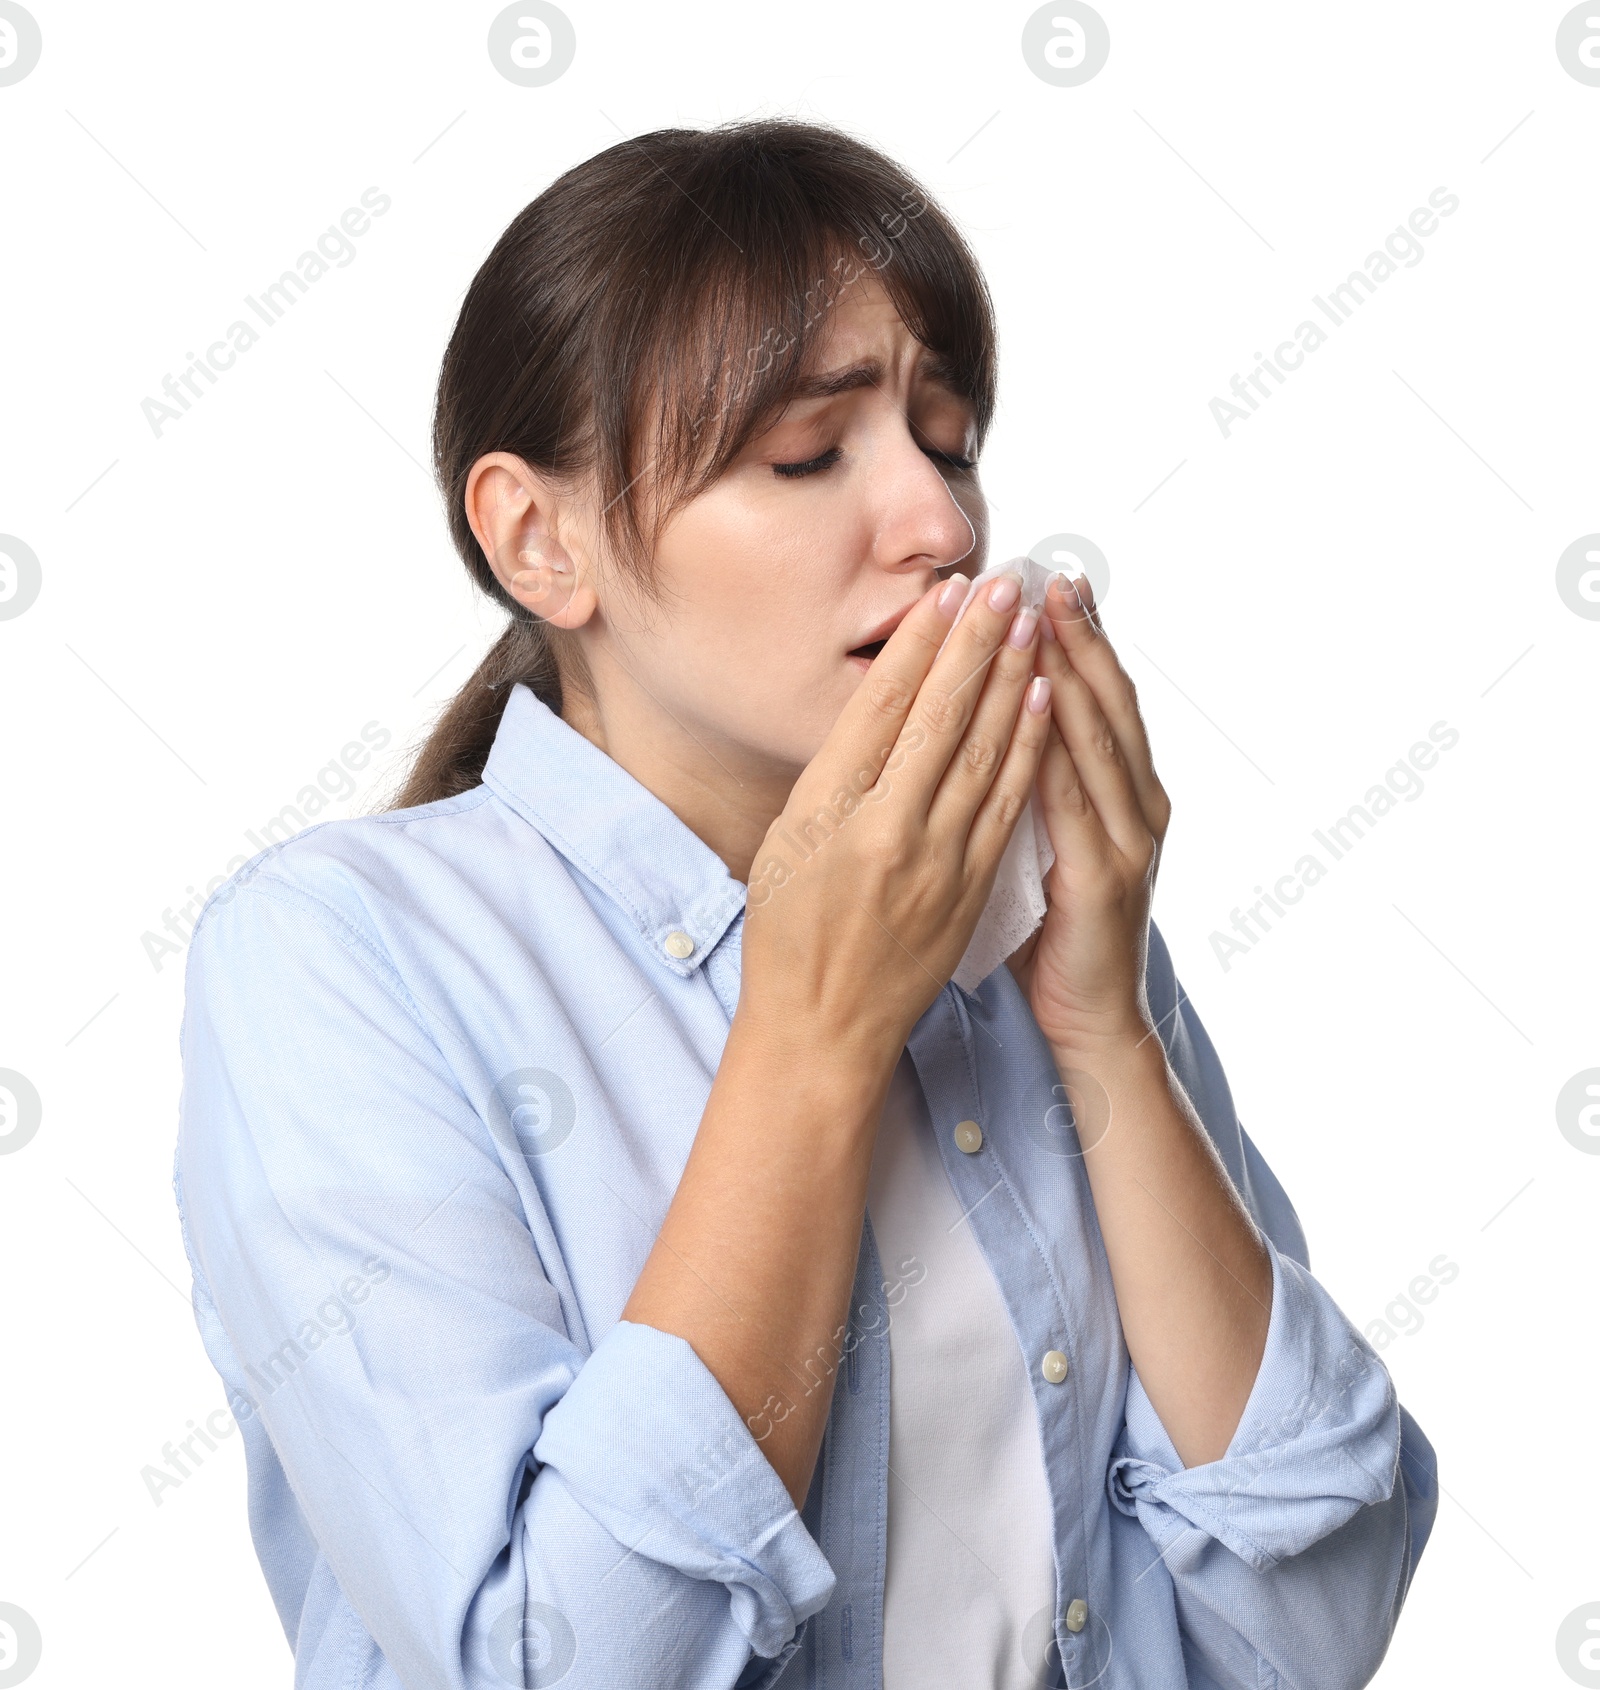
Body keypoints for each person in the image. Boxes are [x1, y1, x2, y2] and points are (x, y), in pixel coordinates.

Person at [173, 118, 1438, 1690]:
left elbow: (1313, 1622)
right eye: (806, 453)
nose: (943, 527)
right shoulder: (339, 956)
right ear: (537, 538)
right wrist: (813, 1036)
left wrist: (1105, 1024)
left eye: (950, 440)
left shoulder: (1041, 930)